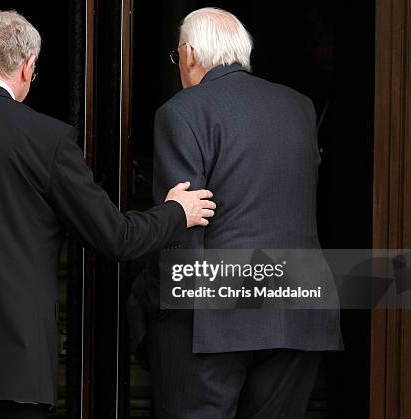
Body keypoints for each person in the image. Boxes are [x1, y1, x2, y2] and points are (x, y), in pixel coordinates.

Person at [0, 10, 216, 419]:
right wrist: (177, 212)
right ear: (29, 66)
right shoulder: (47, 139)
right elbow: (115, 237)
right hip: (18, 373)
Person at [127, 8, 343, 419]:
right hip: (298, 309)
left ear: (188, 53)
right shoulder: (299, 107)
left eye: (177, 58)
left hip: (211, 322)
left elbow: (181, 230)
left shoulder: (182, 111)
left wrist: (152, 306)